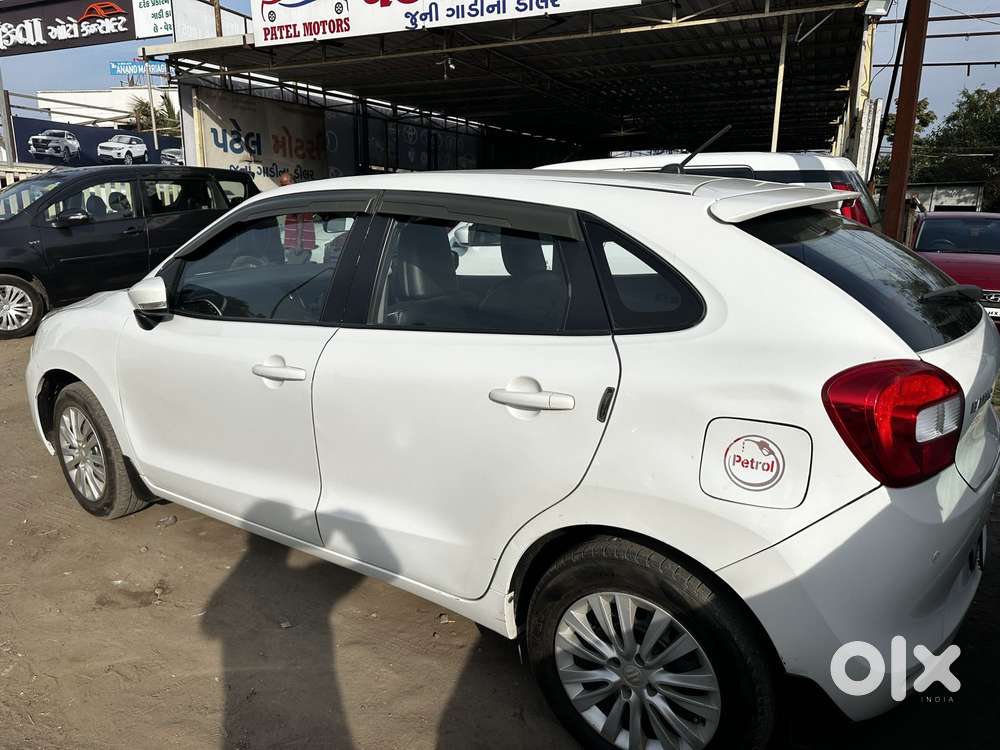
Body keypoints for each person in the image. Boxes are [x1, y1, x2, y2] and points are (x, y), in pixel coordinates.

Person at [277, 172, 316, 262]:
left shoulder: (296, 196)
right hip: (299, 245)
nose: (284, 188)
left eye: (285, 184)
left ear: (292, 181)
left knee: (293, 272)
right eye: (282, 185)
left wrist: (298, 243)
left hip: (297, 246)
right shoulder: (298, 195)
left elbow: (300, 219)